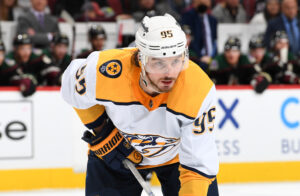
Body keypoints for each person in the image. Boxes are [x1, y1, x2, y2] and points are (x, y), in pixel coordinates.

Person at [61, 14, 219, 196]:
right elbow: (70, 87)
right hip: (117, 157)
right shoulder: (107, 70)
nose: (169, 74)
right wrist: (102, 130)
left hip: (178, 158)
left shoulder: (197, 88)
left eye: (176, 61)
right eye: (159, 63)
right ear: (141, 58)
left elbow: (197, 164)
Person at [181, 0, 218, 71]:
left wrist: (213, 58)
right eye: (200, 1)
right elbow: (188, 40)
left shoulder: (213, 20)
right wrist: (200, 57)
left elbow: (215, 41)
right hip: (197, 57)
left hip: (212, 58)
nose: (203, 2)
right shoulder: (188, 16)